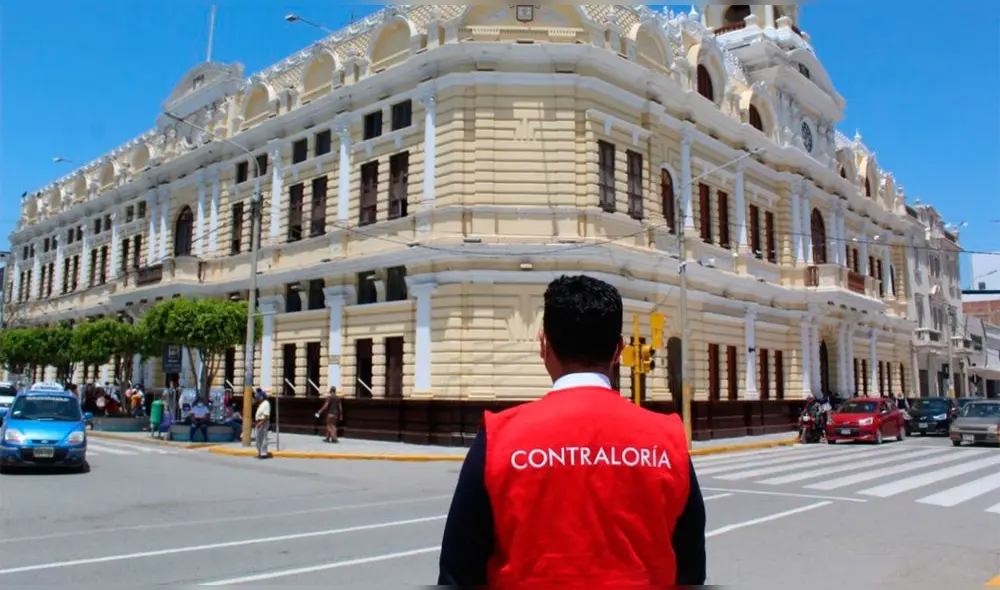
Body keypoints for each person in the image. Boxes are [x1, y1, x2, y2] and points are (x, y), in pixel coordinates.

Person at [437, 275, 706, 588]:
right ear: (619, 350)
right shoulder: (668, 439)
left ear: (544, 344)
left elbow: (458, 572)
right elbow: (691, 569)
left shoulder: (499, 439)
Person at [254, 390, 271, 459]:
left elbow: (266, 415)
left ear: (261, 397)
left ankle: (264, 453)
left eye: (258, 397)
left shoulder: (266, 404)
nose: (257, 398)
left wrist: (261, 423)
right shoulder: (261, 404)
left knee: (263, 438)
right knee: (258, 438)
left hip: (263, 422)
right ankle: (259, 452)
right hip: (259, 422)